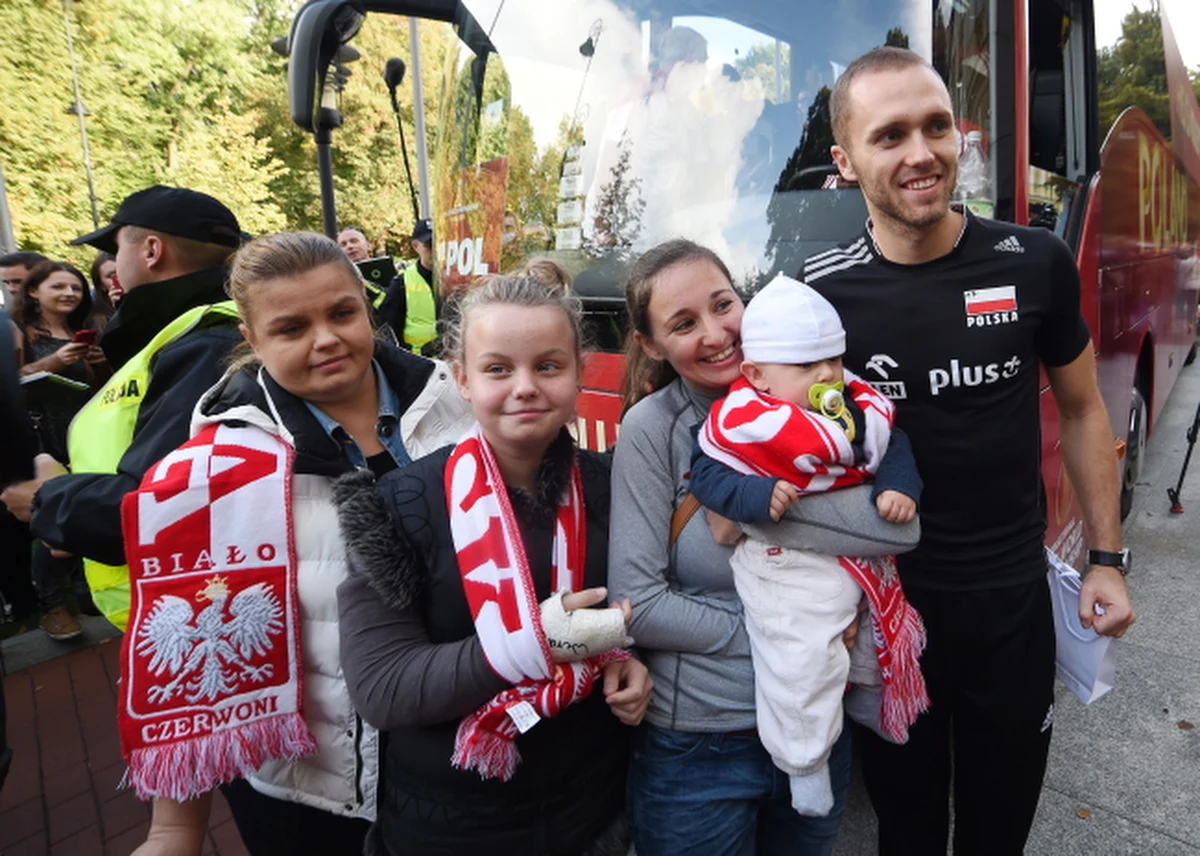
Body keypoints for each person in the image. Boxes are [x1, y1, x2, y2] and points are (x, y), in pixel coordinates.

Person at [802, 46, 1135, 854]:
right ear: (845, 163)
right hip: (888, 619)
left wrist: (1107, 558)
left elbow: (1087, 410)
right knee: (906, 833)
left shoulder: (1036, 263)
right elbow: (797, 452)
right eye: (889, 136)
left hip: (1013, 613)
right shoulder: (820, 298)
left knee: (998, 832)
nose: (921, 153)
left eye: (937, 126)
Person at [122, 231, 473, 856]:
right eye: (291, 328)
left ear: (367, 308)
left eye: (342, 312)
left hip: (464, 754)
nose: (326, 339)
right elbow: (193, 661)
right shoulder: (210, 473)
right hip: (310, 792)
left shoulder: (464, 409)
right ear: (252, 340)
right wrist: (174, 830)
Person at [608, 238, 919, 856]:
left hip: (820, 725)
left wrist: (749, 522)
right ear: (651, 345)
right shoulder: (653, 431)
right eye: (683, 323)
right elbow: (639, 602)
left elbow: (900, 529)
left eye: (724, 304)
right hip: (697, 747)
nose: (719, 333)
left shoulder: (836, 400)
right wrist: (796, 632)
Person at [333, 273, 652, 854]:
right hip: (450, 824)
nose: (525, 387)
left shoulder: (616, 485)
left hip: (592, 810)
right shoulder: (394, 506)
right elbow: (381, 688)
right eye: (498, 369)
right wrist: (530, 644)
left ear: (579, 371)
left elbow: (635, 610)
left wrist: (627, 661)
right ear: (461, 378)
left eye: (549, 367)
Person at [687, 274, 927, 816]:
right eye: (805, 368)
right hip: (784, 565)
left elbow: (893, 445)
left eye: (833, 362)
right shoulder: (745, 423)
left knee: (872, 638)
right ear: (757, 375)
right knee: (801, 661)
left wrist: (897, 485)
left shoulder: (855, 405)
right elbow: (706, 476)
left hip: (856, 559)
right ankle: (805, 763)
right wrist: (753, 494)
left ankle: (872, 704)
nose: (827, 378)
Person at [0, 185, 247, 633]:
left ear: (152, 250)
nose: (114, 269)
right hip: (197, 601)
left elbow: (158, 506)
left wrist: (47, 498)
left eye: (118, 249)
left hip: (194, 611)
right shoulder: (195, 332)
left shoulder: (204, 341)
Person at [16, 261, 107, 640]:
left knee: (82, 510)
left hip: (82, 432)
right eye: (59, 287)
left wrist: (100, 364)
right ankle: (52, 608)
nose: (70, 293)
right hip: (39, 438)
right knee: (51, 518)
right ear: (34, 291)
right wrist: (53, 361)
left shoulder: (80, 330)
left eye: (75, 287)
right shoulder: (18, 331)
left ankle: (86, 592)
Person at [89, 251, 119, 325]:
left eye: (122, 271)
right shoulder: (99, 320)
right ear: (101, 286)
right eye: (111, 276)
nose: (119, 278)